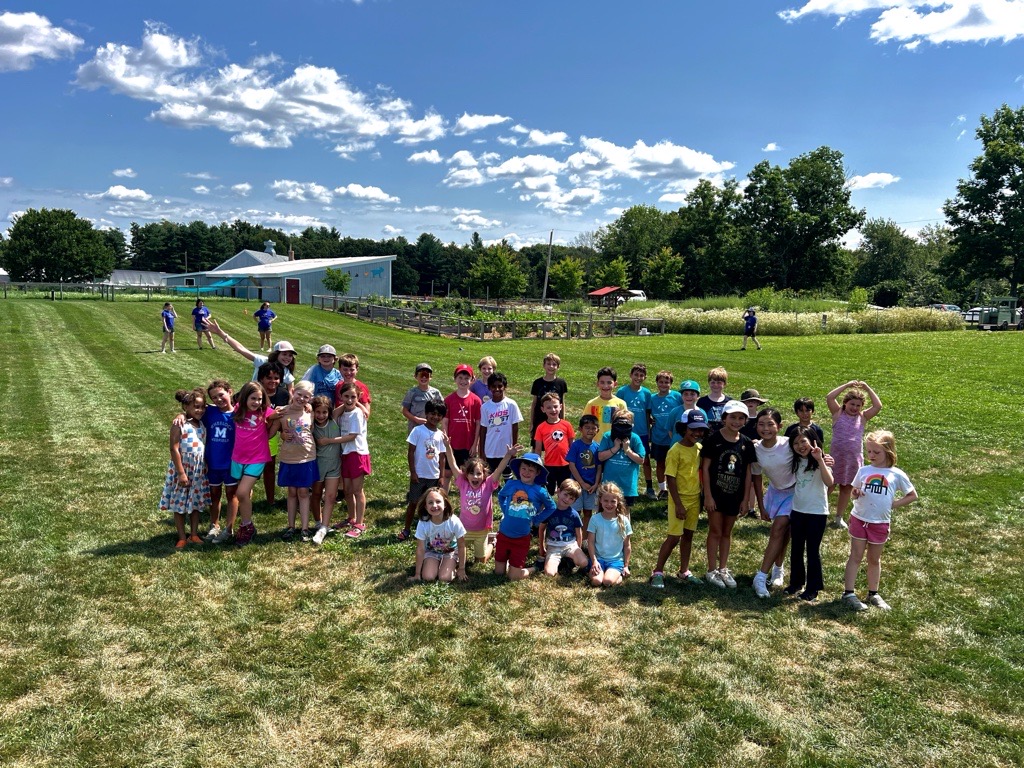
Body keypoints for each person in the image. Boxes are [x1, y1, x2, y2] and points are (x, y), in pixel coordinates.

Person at [842, 430, 917, 611]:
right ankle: (848, 593)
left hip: (880, 523)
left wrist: (893, 504)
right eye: (869, 451)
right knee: (856, 555)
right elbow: (853, 493)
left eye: (876, 452)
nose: (871, 456)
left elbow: (912, 495)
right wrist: (856, 493)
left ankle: (873, 593)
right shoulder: (864, 470)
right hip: (859, 519)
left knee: (874, 559)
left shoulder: (896, 474)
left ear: (888, 452)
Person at [700, 400, 756, 587]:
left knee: (726, 532)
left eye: (741, 418)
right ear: (724, 418)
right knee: (715, 530)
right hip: (715, 494)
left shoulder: (746, 443)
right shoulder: (713, 439)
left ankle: (723, 568)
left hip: (735, 495)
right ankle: (711, 570)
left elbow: (748, 472)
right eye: (732, 417)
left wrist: (746, 499)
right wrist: (707, 495)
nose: (736, 421)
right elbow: (705, 468)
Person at [650, 411, 708, 588]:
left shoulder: (699, 449)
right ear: (684, 429)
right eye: (693, 429)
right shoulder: (675, 450)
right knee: (674, 537)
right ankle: (658, 571)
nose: (697, 434)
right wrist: (678, 504)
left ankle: (684, 570)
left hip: (694, 499)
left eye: (701, 430)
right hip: (679, 500)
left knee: (688, 535)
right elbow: (671, 478)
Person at [444, 440, 519, 565]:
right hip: (464, 530)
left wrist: (508, 455)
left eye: (479, 474)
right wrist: (447, 446)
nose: (475, 477)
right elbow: (452, 464)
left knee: (480, 561)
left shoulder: (488, 484)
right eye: (471, 473)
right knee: (458, 559)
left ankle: (491, 543)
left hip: (481, 531)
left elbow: (499, 470)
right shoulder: (463, 483)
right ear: (466, 475)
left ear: (484, 475)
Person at [750, 408, 798, 599]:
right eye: (761, 424)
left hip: (796, 492)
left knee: (779, 528)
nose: (766, 428)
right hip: (775, 492)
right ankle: (778, 567)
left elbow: (809, 454)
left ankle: (761, 576)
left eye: (770, 424)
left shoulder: (788, 444)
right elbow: (756, 478)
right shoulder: (756, 450)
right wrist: (760, 505)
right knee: (783, 532)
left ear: (779, 426)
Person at [786, 426, 835, 602]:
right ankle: (796, 583)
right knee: (796, 549)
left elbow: (830, 482)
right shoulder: (795, 461)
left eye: (803, 441)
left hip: (817, 512)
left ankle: (813, 588)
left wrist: (820, 460)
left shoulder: (821, 461)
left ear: (813, 441)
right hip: (798, 510)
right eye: (796, 443)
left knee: (812, 551)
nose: (800, 446)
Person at [827, 380, 883, 530]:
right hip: (836, 458)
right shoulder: (837, 413)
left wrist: (867, 388)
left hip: (852, 459)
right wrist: (846, 385)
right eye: (852, 404)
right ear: (845, 403)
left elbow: (878, 406)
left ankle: (838, 517)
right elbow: (829, 397)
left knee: (846, 488)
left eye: (858, 405)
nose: (855, 408)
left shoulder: (862, 417)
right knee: (829, 485)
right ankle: (819, 511)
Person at [159, 388, 211, 549]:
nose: (200, 410)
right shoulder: (179, 424)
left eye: (202, 407)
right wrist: (181, 473)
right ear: (185, 407)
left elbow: (203, 445)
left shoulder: (202, 424)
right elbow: (174, 449)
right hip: (182, 469)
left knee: (195, 504)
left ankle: (194, 534)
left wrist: (205, 464)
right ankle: (182, 536)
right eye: (196, 406)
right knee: (180, 504)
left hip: (197, 470)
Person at [224, 381, 274, 546]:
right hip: (238, 458)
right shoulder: (238, 409)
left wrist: (269, 434)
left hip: (257, 458)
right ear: (244, 398)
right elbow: (218, 405)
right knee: (243, 493)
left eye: (260, 399)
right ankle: (245, 523)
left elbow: (280, 415)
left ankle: (247, 526)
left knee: (242, 492)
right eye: (253, 398)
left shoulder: (264, 411)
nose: (257, 402)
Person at [495, 452, 556, 580]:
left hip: (521, 538)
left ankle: (535, 568)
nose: (526, 472)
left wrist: (536, 519)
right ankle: (507, 561)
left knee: (513, 576)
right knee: (498, 573)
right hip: (504, 534)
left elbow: (552, 507)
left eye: (531, 470)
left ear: (537, 473)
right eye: (524, 468)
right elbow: (501, 496)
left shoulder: (540, 491)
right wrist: (505, 510)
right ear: (519, 469)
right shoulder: (511, 484)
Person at [273, 381, 317, 542]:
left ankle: (305, 528)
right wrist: (283, 435)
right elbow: (273, 429)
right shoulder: (282, 412)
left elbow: (311, 431)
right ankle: (291, 526)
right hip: (288, 457)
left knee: (304, 493)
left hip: (306, 457)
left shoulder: (309, 412)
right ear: (293, 392)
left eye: (306, 396)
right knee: (291, 492)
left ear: (310, 399)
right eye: (299, 394)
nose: (302, 398)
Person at [398, 400, 447, 542]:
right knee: (414, 502)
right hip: (419, 476)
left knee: (431, 504)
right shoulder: (418, 430)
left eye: (439, 415)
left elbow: (442, 458)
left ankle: (430, 531)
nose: (435, 417)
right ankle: (407, 529)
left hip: (434, 476)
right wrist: (413, 472)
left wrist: (442, 476)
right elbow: (411, 452)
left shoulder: (440, 435)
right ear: (426, 413)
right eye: (432, 413)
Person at [206, 318, 298, 387]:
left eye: (290, 355)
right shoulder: (263, 361)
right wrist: (220, 333)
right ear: (276, 354)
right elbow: (241, 349)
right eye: (284, 354)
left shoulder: (287, 374)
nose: (287, 358)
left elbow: (291, 393)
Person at [335, 381, 372, 541]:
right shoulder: (343, 412)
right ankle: (351, 517)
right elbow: (333, 416)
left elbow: (352, 436)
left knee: (357, 490)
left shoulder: (357, 413)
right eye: (346, 396)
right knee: (347, 491)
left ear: (358, 398)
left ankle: (359, 523)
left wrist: (330, 441)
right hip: (346, 453)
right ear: (341, 397)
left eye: (353, 397)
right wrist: (345, 404)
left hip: (357, 453)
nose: (349, 400)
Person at [201, 380, 236, 542]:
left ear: (230, 392)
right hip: (212, 462)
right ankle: (214, 525)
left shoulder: (239, 413)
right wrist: (181, 414)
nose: (218, 399)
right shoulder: (209, 412)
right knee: (214, 495)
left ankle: (229, 528)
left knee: (231, 494)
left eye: (221, 394)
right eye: (214, 397)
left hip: (231, 463)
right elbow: (190, 407)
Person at [410, 488, 468, 583]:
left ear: (445, 504)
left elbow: (461, 546)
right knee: (428, 577)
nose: (434, 505)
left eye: (438, 501)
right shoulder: (423, 523)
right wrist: (417, 574)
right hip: (432, 552)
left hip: (451, 551)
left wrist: (462, 569)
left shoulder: (453, 521)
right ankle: (435, 564)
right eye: (430, 502)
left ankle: (453, 564)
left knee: (445, 578)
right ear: (425, 506)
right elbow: (420, 549)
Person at [617, 363, 656, 499]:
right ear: (630, 375)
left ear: (645, 377)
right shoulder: (622, 391)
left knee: (644, 460)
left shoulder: (646, 393)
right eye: (636, 375)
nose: (638, 378)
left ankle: (649, 487)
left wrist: (649, 432)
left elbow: (647, 414)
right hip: (626, 432)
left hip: (642, 432)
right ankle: (623, 486)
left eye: (641, 375)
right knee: (624, 458)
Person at [597, 408, 645, 516]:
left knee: (625, 512)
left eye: (626, 424)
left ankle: (625, 533)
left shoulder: (635, 438)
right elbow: (600, 457)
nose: (622, 428)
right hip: (609, 485)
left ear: (632, 425)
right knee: (604, 511)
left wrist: (627, 450)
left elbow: (641, 460)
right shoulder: (607, 436)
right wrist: (615, 448)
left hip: (627, 485)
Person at [538, 480, 590, 577]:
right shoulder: (549, 511)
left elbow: (579, 533)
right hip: (553, 546)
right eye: (565, 495)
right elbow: (541, 529)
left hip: (570, 545)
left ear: (574, 501)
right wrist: (542, 547)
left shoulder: (574, 514)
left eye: (571, 498)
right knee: (549, 573)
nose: (567, 499)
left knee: (584, 563)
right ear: (558, 491)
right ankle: (562, 562)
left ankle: (569, 560)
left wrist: (578, 549)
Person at [441, 364, 481, 489]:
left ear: (472, 380)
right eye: (460, 378)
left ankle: (466, 501)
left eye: (466, 378)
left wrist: (475, 444)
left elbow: (478, 424)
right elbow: (445, 422)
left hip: (468, 444)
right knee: (447, 473)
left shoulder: (476, 400)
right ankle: (444, 500)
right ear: (455, 379)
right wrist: (445, 441)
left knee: (466, 474)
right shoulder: (448, 400)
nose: (463, 381)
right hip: (452, 444)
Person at [587, 482, 633, 587]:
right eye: (606, 501)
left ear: (618, 502)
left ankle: (618, 575)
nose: (609, 504)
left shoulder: (624, 520)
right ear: (600, 501)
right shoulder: (595, 519)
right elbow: (590, 542)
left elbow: (627, 545)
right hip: (598, 559)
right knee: (596, 582)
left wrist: (626, 566)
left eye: (613, 501)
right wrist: (594, 561)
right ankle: (602, 573)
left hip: (616, 561)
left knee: (607, 581)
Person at [257, 361, 290, 506]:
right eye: (268, 378)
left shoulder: (283, 393)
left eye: (276, 378)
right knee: (250, 469)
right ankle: (243, 498)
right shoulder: (253, 391)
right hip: (252, 436)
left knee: (269, 468)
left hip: (271, 435)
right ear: (261, 379)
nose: (273, 381)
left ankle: (270, 501)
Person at [479, 372, 522, 477]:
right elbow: (483, 430)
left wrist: (513, 449)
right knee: (490, 478)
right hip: (490, 449)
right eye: (494, 386)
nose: (497, 389)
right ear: (489, 387)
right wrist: (482, 451)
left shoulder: (511, 404)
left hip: (506, 450)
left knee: (507, 476)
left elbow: (515, 427)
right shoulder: (485, 407)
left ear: (505, 387)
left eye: (500, 386)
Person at [311, 395, 342, 543]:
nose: (321, 415)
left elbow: (349, 404)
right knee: (316, 494)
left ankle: (324, 527)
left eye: (324, 412)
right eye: (318, 412)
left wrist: (362, 405)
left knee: (330, 497)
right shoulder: (311, 425)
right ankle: (318, 521)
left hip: (334, 466)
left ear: (329, 412)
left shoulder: (334, 419)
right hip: (317, 466)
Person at [533, 392, 575, 495]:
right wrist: (537, 464)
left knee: (565, 491)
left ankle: (562, 509)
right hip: (549, 465)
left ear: (560, 407)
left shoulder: (567, 425)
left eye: (555, 406)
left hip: (565, 465)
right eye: (549, 407)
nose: (553, 410)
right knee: (548, 492)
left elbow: (572, 445)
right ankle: (549, 509)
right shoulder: (541, 427)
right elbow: (538, 449)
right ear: (543, 409)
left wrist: (573, 462)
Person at [649, 370, 682, 500]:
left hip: (674, 438)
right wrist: (651, 420)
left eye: (666, 382)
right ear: (657, 383)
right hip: (658, 436)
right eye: (661, 382)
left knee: (675, 464)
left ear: (671, 383)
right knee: (660, 463)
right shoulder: (652, 398)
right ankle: (663, 489)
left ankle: (677, 488)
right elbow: (648, 413)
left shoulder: (677, 397)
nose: (663, 384)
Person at [566, 414, 602, 532]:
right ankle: (574, 535)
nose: (590, 430)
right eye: (587, 427)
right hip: (577, 486)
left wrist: (596, 484)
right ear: (580, 429)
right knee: (575, 512)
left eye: (593, 428)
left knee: (588, 513)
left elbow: (599, 467)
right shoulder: (576, 445)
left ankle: (585, 537)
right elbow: (572, 465)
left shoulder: (597, 447)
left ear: (598, 430)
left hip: (591, 487)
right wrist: (581, 483)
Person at [529, 352, 568, 439]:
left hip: (554, 418)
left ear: (558, 367)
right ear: (544, 365)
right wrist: (532, 422)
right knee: (537, 445)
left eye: (554, 364)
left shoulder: (561, 383)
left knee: (554, 442)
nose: (551, 366)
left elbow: (562, 403)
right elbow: (534, 403)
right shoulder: (537, 383)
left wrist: (563, 421)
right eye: (548, 364)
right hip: (539, 418)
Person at [584, 367, 627, 438]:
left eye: (609, 382)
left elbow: (625, 426)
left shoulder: (621, 404)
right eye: (602, 382)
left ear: (615, 384)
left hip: (613, 445)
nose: (605, 386)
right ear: (597, 383)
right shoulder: (591, 404)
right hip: (595, 444)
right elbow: (584, 425)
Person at [401, 363, 444, 433]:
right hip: (414, 428)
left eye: (426, 375)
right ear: (415, 376)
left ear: (431, 377)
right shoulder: (412, 392)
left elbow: (442, 410)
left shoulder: (436, 393)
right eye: (421, 375)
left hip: (431, 428)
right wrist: (415, 419)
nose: (424, 378)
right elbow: (405, 411)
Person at [333, 353, 372, 419]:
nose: (348, 373)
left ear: (357, 370)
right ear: (339, 369)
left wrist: (364, 422)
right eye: (345, 369)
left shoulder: (360, 387)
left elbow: (366, 407)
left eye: (352, 370)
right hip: (341, 422)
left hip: (354, 422)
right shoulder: (338, 385)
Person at [696, 367, 732, 431]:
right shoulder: (702, 401)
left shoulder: (730, 402)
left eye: (719, 382)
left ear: (724, 384)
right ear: (709, 383)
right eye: (713, 382)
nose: (715, 385)